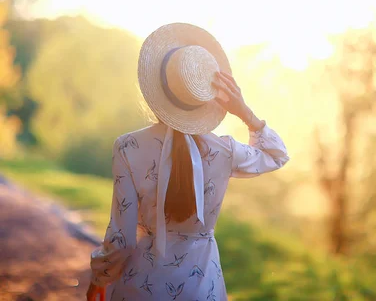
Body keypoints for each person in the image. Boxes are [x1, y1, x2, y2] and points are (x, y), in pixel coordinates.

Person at [86, 23, 289, 301]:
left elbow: (121, 239)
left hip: (142, 285)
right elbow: (276, 155)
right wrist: (245, 112)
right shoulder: (224, 150)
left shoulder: (128, 147)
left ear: (157, 87)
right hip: (202, 285)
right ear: (205, 98)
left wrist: (100, 278)